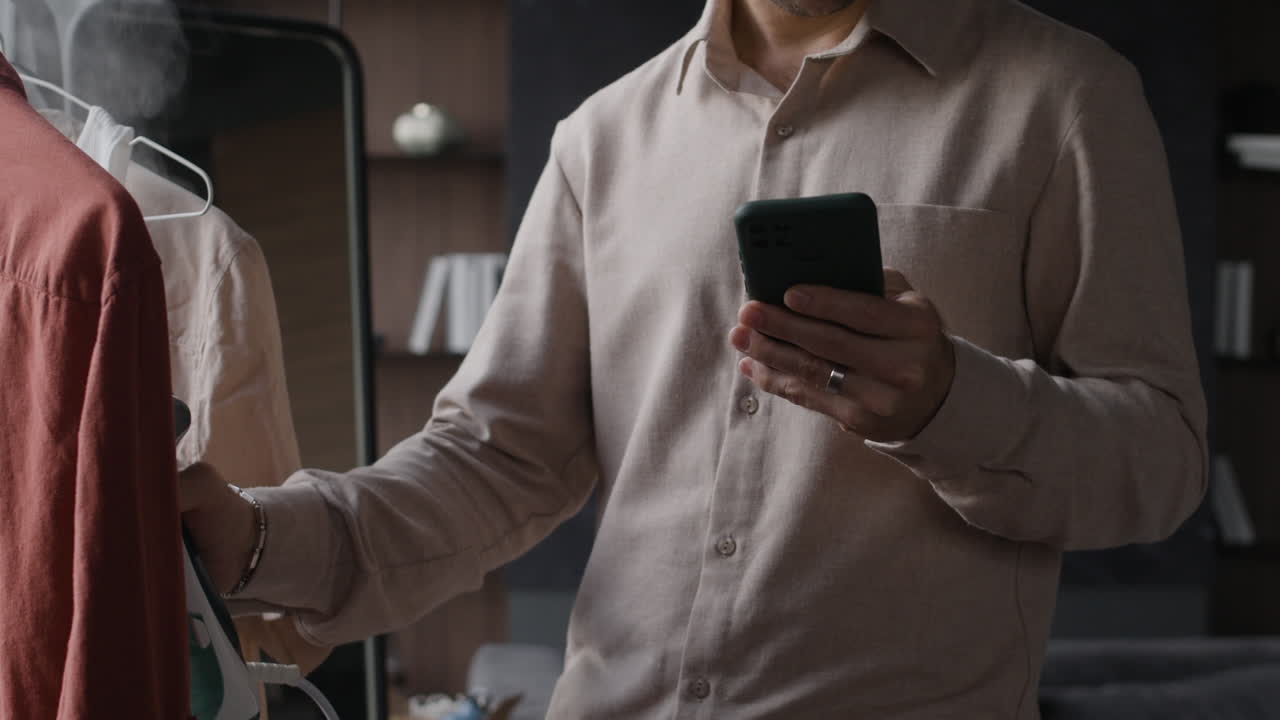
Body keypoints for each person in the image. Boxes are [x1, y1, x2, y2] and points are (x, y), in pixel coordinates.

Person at [181, 0, 1208, 716]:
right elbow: (495, 459)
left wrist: (949, 404)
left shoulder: (1066, 98)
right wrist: (262, 541)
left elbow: (1161, 458)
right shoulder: (600, 137)